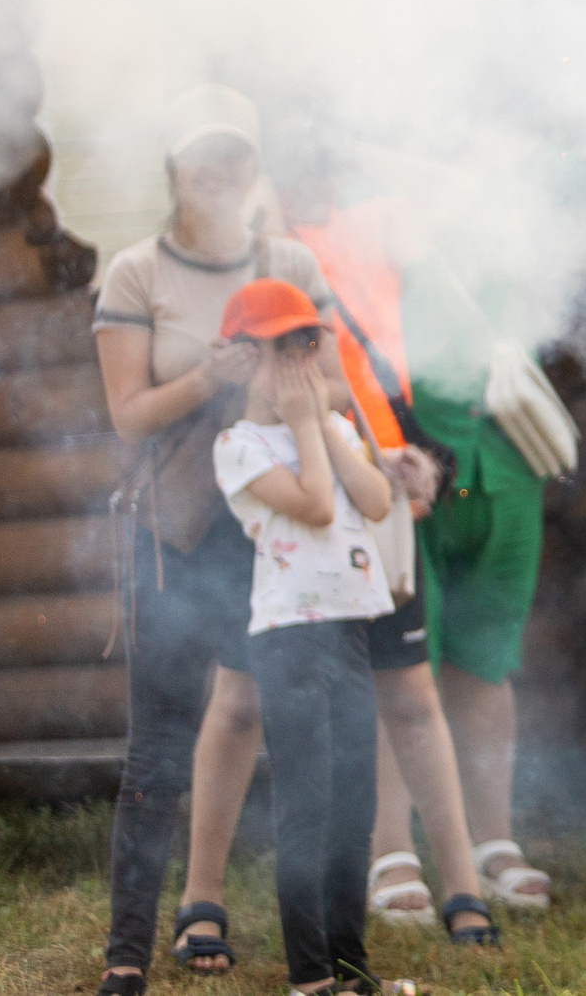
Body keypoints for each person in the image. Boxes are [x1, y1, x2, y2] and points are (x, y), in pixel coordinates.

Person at [92, 86, 346, 996]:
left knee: (296, 735)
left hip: (273, 533)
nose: (219, 172)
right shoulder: (135, 273)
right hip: (177, 535)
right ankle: (126, 956)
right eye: (202, 156)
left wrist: (279, 380)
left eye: (234, 155)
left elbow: (341, 392)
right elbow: (130, 418)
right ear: (174, 169)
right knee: (157, 745)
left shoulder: (289, 260)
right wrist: (211, 374)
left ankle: (314, 965)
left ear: (253, 166)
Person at [271, 141, 497, 946]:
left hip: (382, 474)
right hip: (305, 490)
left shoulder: (380, 219)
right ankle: (386, 853)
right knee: (350, 690)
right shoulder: (266, 246)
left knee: (409, 687)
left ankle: (463, 880)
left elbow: (464, 189)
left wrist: (367, 149)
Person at [209, 277, 398, 996]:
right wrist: (303, 425)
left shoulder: (334, 427)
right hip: (289, 635)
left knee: (355, 802)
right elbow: (317, 506)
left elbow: (378, 500)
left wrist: (322, 423)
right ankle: (311, 973)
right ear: (244, 358)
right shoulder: (239, 445)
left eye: (305, 344)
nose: (297, 362)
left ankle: (351, 964)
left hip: (349, 625)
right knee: (308, 801)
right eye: (277, 348)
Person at [397, 244, 555, 910]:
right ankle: (392, 850)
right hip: (409, 464)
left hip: (508, 464)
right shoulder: (379, 225)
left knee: (487, 662)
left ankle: (493, 840)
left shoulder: (513, 217)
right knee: (400, 668)